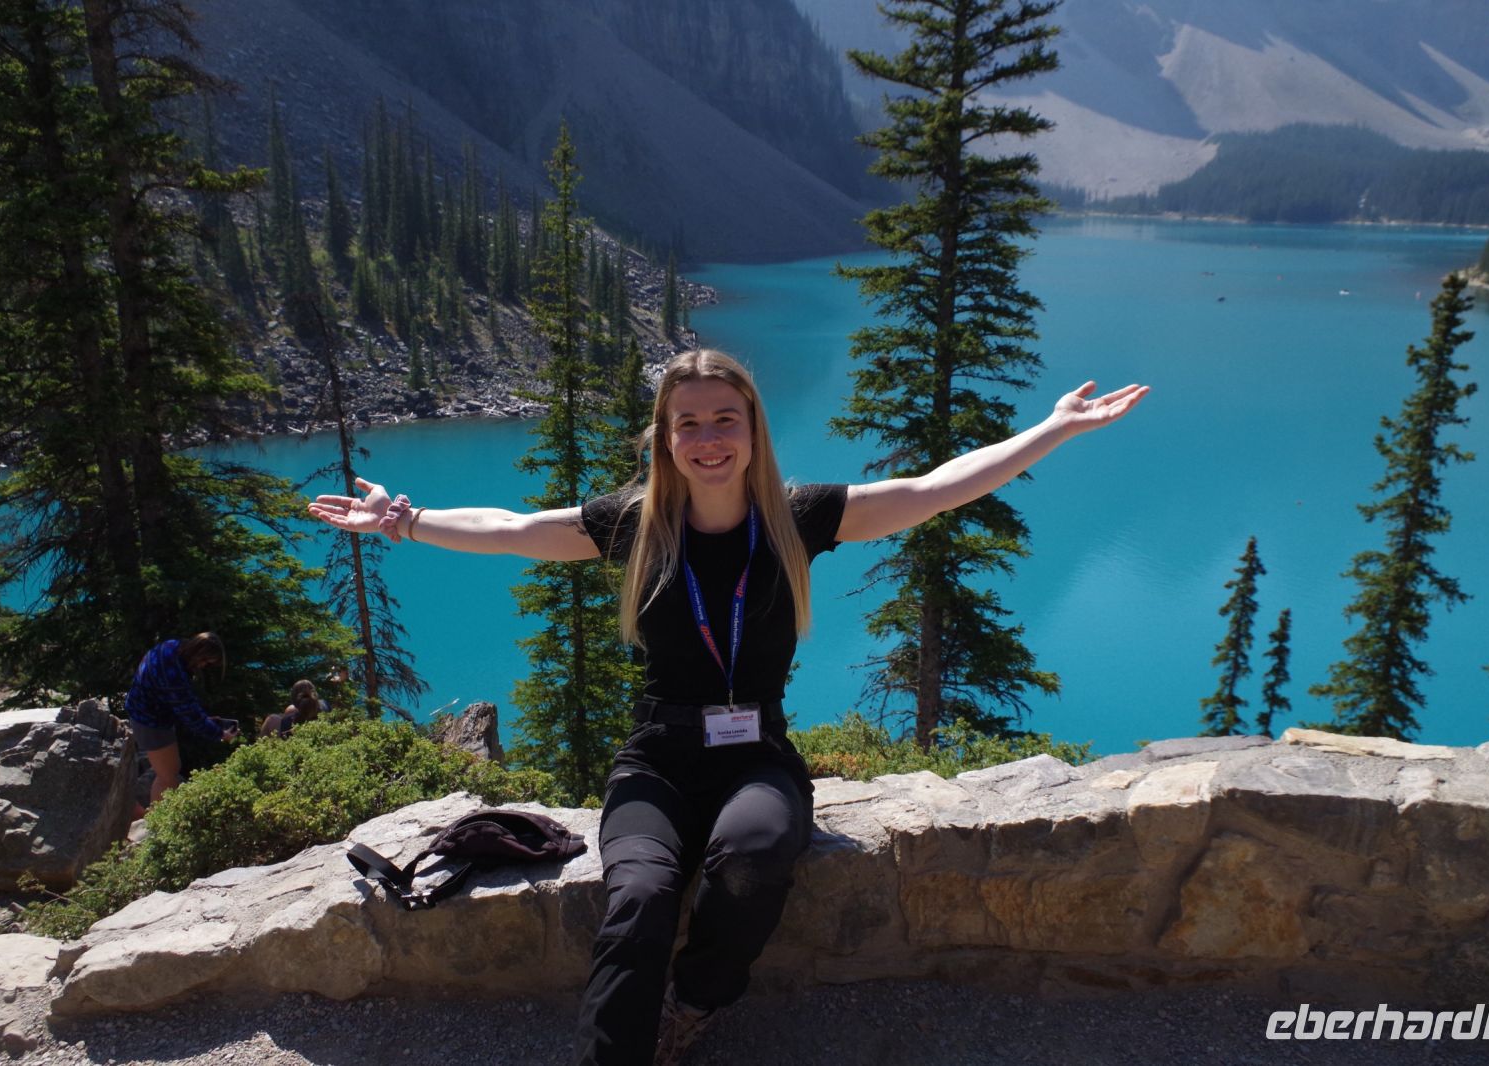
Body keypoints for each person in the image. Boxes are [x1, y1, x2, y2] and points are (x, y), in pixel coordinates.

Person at [307, 349, 1147, 1066]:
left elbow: (934, 488)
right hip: (657, 761)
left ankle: (696, 1002)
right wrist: (405, 522)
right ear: (665, 439)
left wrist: (1054, 429)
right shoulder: (634, 524)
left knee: (749, 858)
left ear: (752, 429)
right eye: (689, 424)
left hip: (757, 760)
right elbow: (514, 528)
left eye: (724, 420)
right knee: (637, 896)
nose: (708, 439)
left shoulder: (799, 515)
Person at [124, 631, 238, 810]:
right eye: (206, 662)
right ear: (199, 654)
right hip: (150, 721)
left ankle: (156, 820)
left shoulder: (171, 646)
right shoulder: (174, 674)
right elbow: (188, 712)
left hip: (145, 711)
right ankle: (157, 824)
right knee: (168, 776)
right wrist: (219, 733)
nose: (203, 666)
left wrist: (206, 720)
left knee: (170, 770)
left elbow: (181, 703)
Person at [261, 678, 326, 738]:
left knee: (272, 718)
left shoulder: (291, 711)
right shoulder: (325, 705)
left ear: (294, 701)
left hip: (289, 743)